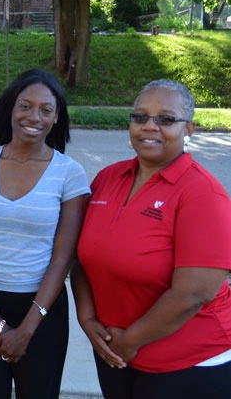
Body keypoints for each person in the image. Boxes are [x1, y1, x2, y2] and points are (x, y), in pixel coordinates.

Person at [71, 79, 231, 398]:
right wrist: (87, 319)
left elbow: (193, 294)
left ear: (189, 129)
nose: (149, 127)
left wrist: (130, 341)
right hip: (115, 353)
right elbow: (81, 258)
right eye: (140, 117)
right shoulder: (108, 178)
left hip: (190, 363)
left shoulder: (202, 194)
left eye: (166, 119)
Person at [0, 69, 90, 398]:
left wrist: (27, 330)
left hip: (42, 310)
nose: (34, 116)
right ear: (11, 109)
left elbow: (63, 258)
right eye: (25, 106)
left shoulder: (69, 174)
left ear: (57, 117)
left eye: (46, 109)